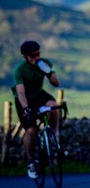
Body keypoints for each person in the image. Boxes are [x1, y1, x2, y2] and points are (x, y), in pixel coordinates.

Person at [12, 41, 61, 179]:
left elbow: (56, 83)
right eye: (33, 55)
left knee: (53, 106)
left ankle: (53, 136)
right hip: (24, 99)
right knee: (31, 130)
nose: (36, 57)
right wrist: (26, 108)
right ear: (26, 57)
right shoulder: (20, 70)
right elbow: (21, 92)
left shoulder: (43, 63)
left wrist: (48, 71)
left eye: (38, 54)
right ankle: (31, 161)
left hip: (39, 94)